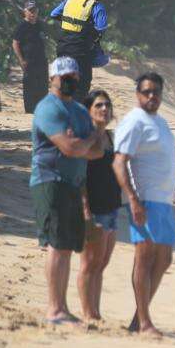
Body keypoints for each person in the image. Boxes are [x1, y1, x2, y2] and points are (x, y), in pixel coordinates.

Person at [30, 57, 106, 324]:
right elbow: (71, 148)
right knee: (56, 243)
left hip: (73, 184)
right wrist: (86, 140)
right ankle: (55, 308)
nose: (71, 81)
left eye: (74, 77)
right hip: (50, 180)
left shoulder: (79, 111)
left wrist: (83, 140)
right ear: (52, 78)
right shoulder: (48, 108)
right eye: (65, 77)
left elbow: (97, 151)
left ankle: (62, 307)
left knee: (66, 246)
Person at [113, 72, 175, 337]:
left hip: (165, 200)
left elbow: (167, 164)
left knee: (164, 259)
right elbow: (119, 162)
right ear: (137, 94)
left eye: (156, 91)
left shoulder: (162, 124)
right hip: (145, 199)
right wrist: (132, 199)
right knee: (144, 259)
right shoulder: (134, 122)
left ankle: (138, 318)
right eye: (146, 92)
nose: (152, 96)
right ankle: (144, 322)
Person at [78, 90, 120, 321]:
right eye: (99, 105)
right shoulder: (87, 138)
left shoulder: (112, 138)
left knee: (101, 263)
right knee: (89, 263)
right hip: (93, 207)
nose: (105, 109)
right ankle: (87, 313)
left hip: (112, 207)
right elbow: (80, 177)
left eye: (107, 105)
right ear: (89, 111)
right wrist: (85, 211)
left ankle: (96, 311)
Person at [50, 0, 109, 101]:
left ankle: (61, 109)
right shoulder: (96, 5)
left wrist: (71, 22)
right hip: (80, 50)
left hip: (62, 46)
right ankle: (74, 112)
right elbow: (101, 27)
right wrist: (87, 28)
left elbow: (54, 14)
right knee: (81, 84)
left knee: (64, 80)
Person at [12, 0, 49, 113]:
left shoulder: (40, 24)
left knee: (43, 86)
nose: (33, 13)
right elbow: (15, 43)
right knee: (30, 86)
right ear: (25, 11)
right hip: (28, 61)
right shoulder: (21, 26)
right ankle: (30, 110)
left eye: (35, 10)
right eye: (30, 11)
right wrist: (21, 60)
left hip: (41, 60)